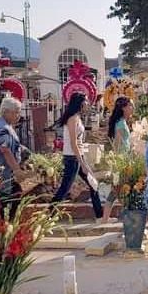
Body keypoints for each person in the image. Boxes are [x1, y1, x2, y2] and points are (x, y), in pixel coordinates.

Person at [51, 92, 104, 221]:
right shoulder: (72, 119)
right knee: (65, 188)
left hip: (77, 156)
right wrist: (82, 163)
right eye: (86, 101)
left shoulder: (77, 117)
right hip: (72, 158)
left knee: (93, 184)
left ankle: (100, 216)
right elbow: (73, 143)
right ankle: (49, 215)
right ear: (79, 103)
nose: (88, 103)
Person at [99, 97, 134, 223]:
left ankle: (105, 219)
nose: (132, 108)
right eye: (130, 105)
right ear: (123, 108)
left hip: (124, 161)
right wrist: (119, 162)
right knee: (121, 190)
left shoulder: (123, 121)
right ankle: (127, 218)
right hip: (121, 162)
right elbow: (117, 144)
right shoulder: (120, 123)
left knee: (116, 192)